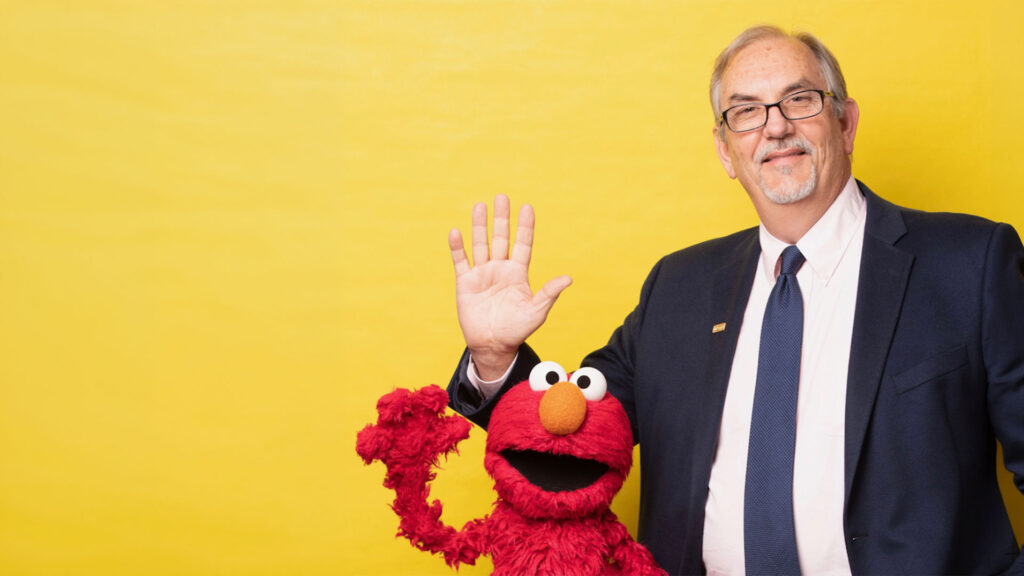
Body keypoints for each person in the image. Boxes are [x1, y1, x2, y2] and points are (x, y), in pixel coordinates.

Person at [444, 25, 1024, 576]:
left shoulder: (968, 264)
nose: (775, 128)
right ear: (726, 152)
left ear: (845, 124)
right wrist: (496, 357)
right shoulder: (678, 288)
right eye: (746, 111)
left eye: (800, 99)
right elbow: (570, 434)